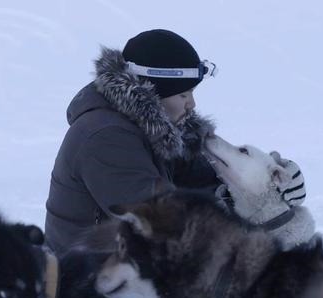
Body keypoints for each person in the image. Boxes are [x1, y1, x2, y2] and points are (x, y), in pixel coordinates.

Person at [44, 29, 221, 255]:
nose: (192, 104)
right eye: (184, 95)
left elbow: (205, 181)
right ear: (154, 92)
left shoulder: (154, 127)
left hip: (126, 264)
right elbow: (162, 220)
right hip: (88, 275)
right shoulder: (107, 137)